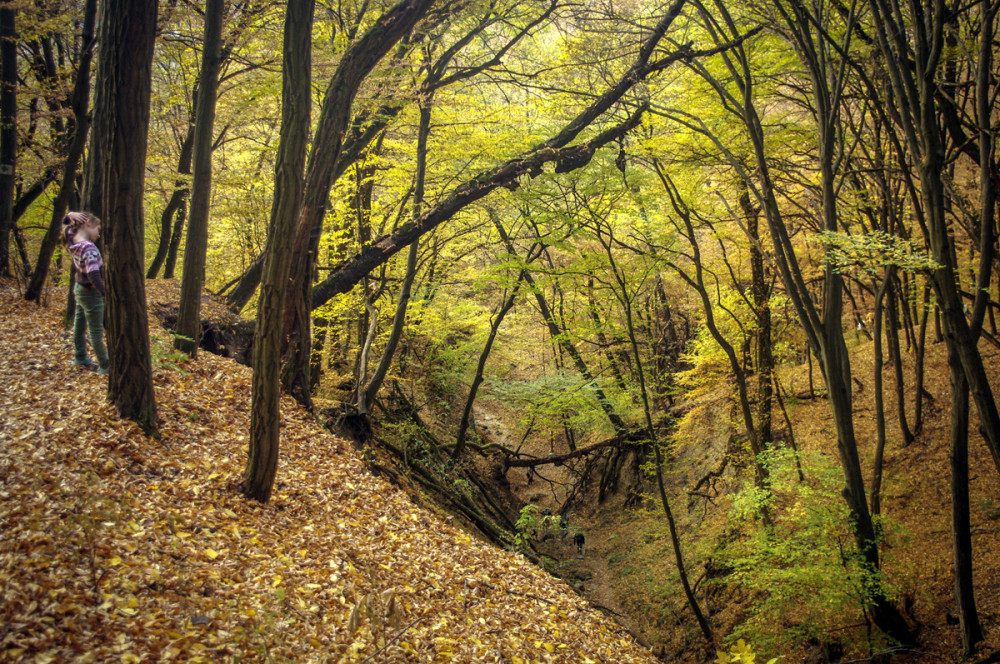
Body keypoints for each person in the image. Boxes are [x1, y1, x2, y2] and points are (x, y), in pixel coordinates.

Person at [63, 211, 109, 375]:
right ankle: (106, 365)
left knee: (79, 325)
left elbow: (64, 227)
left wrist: (69, 216)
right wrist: (105, 294)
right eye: (98, 229)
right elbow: (94, 275)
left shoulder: (73, 240)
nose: (98, 233)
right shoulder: (89, 248)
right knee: (96, 331)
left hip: (79, 289)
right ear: (88, 223)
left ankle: (80, 357)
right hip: (91, 292)